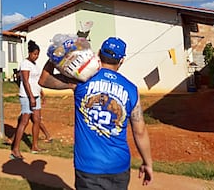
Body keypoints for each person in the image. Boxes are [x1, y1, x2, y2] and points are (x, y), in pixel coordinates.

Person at [38, 37, 153, 189]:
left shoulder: (81, 79)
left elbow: (43, 80)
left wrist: (57, 57)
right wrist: (148, 163)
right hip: (118, 166)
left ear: (98, 53)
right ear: (122, 60)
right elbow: (140, 132)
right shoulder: (131, 89)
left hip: (88, 165)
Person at [10, 40, 47, 159]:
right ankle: (15, 149)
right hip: (27, 96)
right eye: (34, 54)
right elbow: (25, 82)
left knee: (37, 120)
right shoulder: (25, 64)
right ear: (30, 53)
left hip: (36, 95)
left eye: (37, 54)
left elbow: (36, 80)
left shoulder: (34, 65)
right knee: (24, 121)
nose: (36, 56)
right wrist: (31, 97)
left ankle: (34, 146)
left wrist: (41, 92)